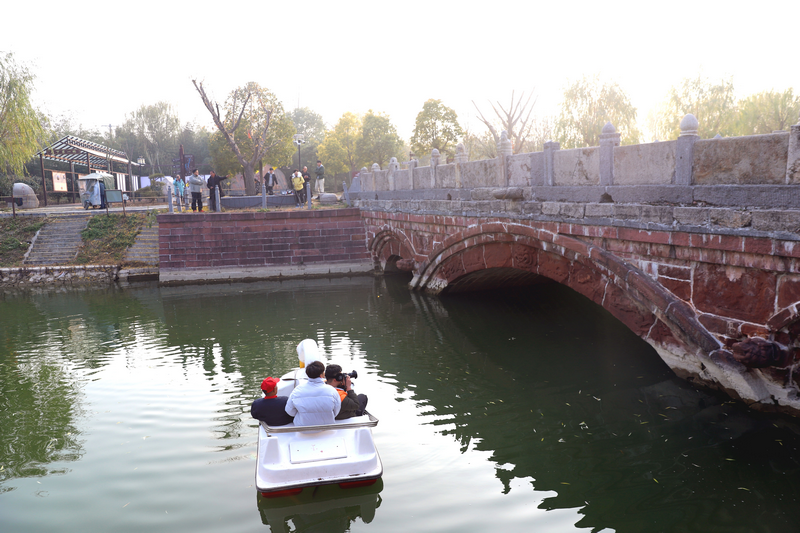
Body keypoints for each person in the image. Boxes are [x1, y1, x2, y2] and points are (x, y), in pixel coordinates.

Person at [285, 361, 341, 425]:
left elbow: (289, 411)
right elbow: (336, 411)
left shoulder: (297, 390)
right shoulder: (332, 390)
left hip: (303, 429)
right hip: (327, 428)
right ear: (321, 375)